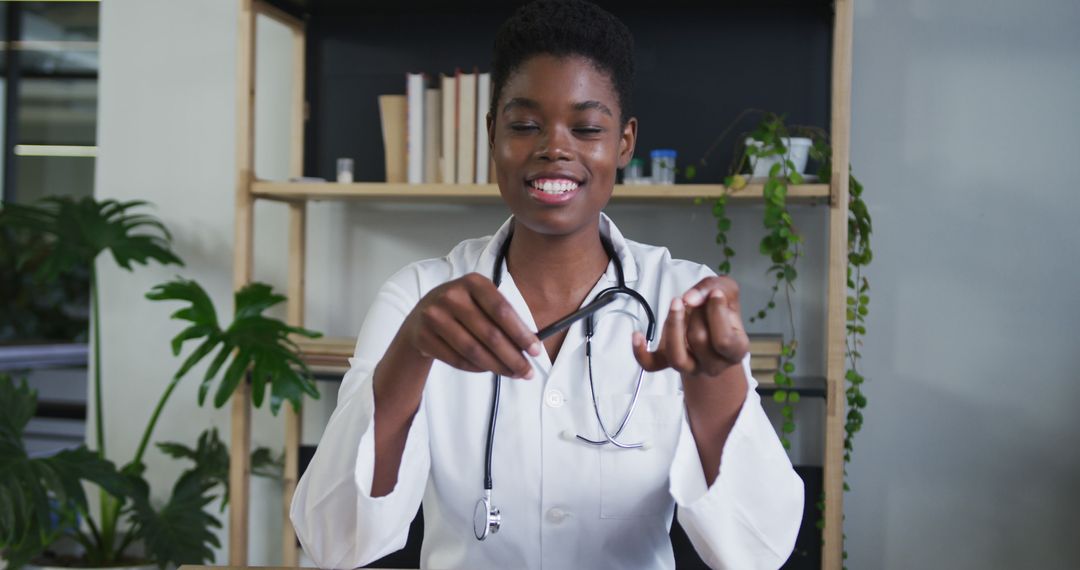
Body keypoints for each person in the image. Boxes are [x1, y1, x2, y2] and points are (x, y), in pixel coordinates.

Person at [290, 1, 804, 568]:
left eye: (586, 128)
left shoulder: (682, 298)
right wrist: (411, 353)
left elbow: (760, 550)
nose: (554, 148)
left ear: (625, 143)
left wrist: (718, 385)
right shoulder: (418, 298)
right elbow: (334, 542)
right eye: (525, 125)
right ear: (492, 135)